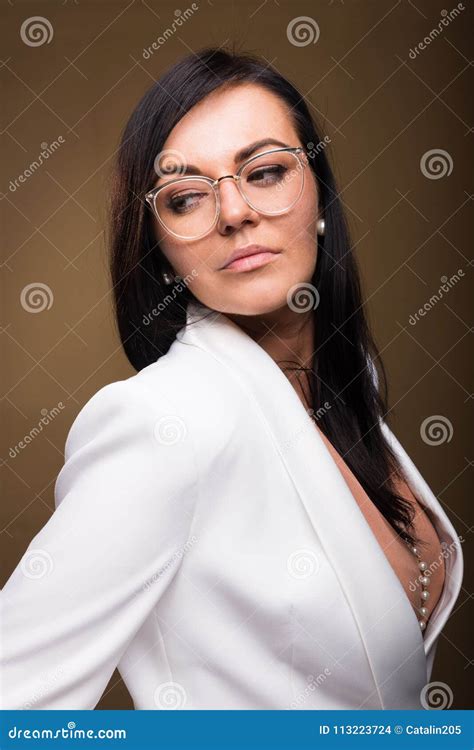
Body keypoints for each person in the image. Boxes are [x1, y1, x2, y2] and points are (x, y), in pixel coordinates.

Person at [1, 47, 463, 710]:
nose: (234, 212)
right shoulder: (167, 421)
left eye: (267, 171)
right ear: (157, 246)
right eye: (186, 197)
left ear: (319, 194)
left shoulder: (337, 381)